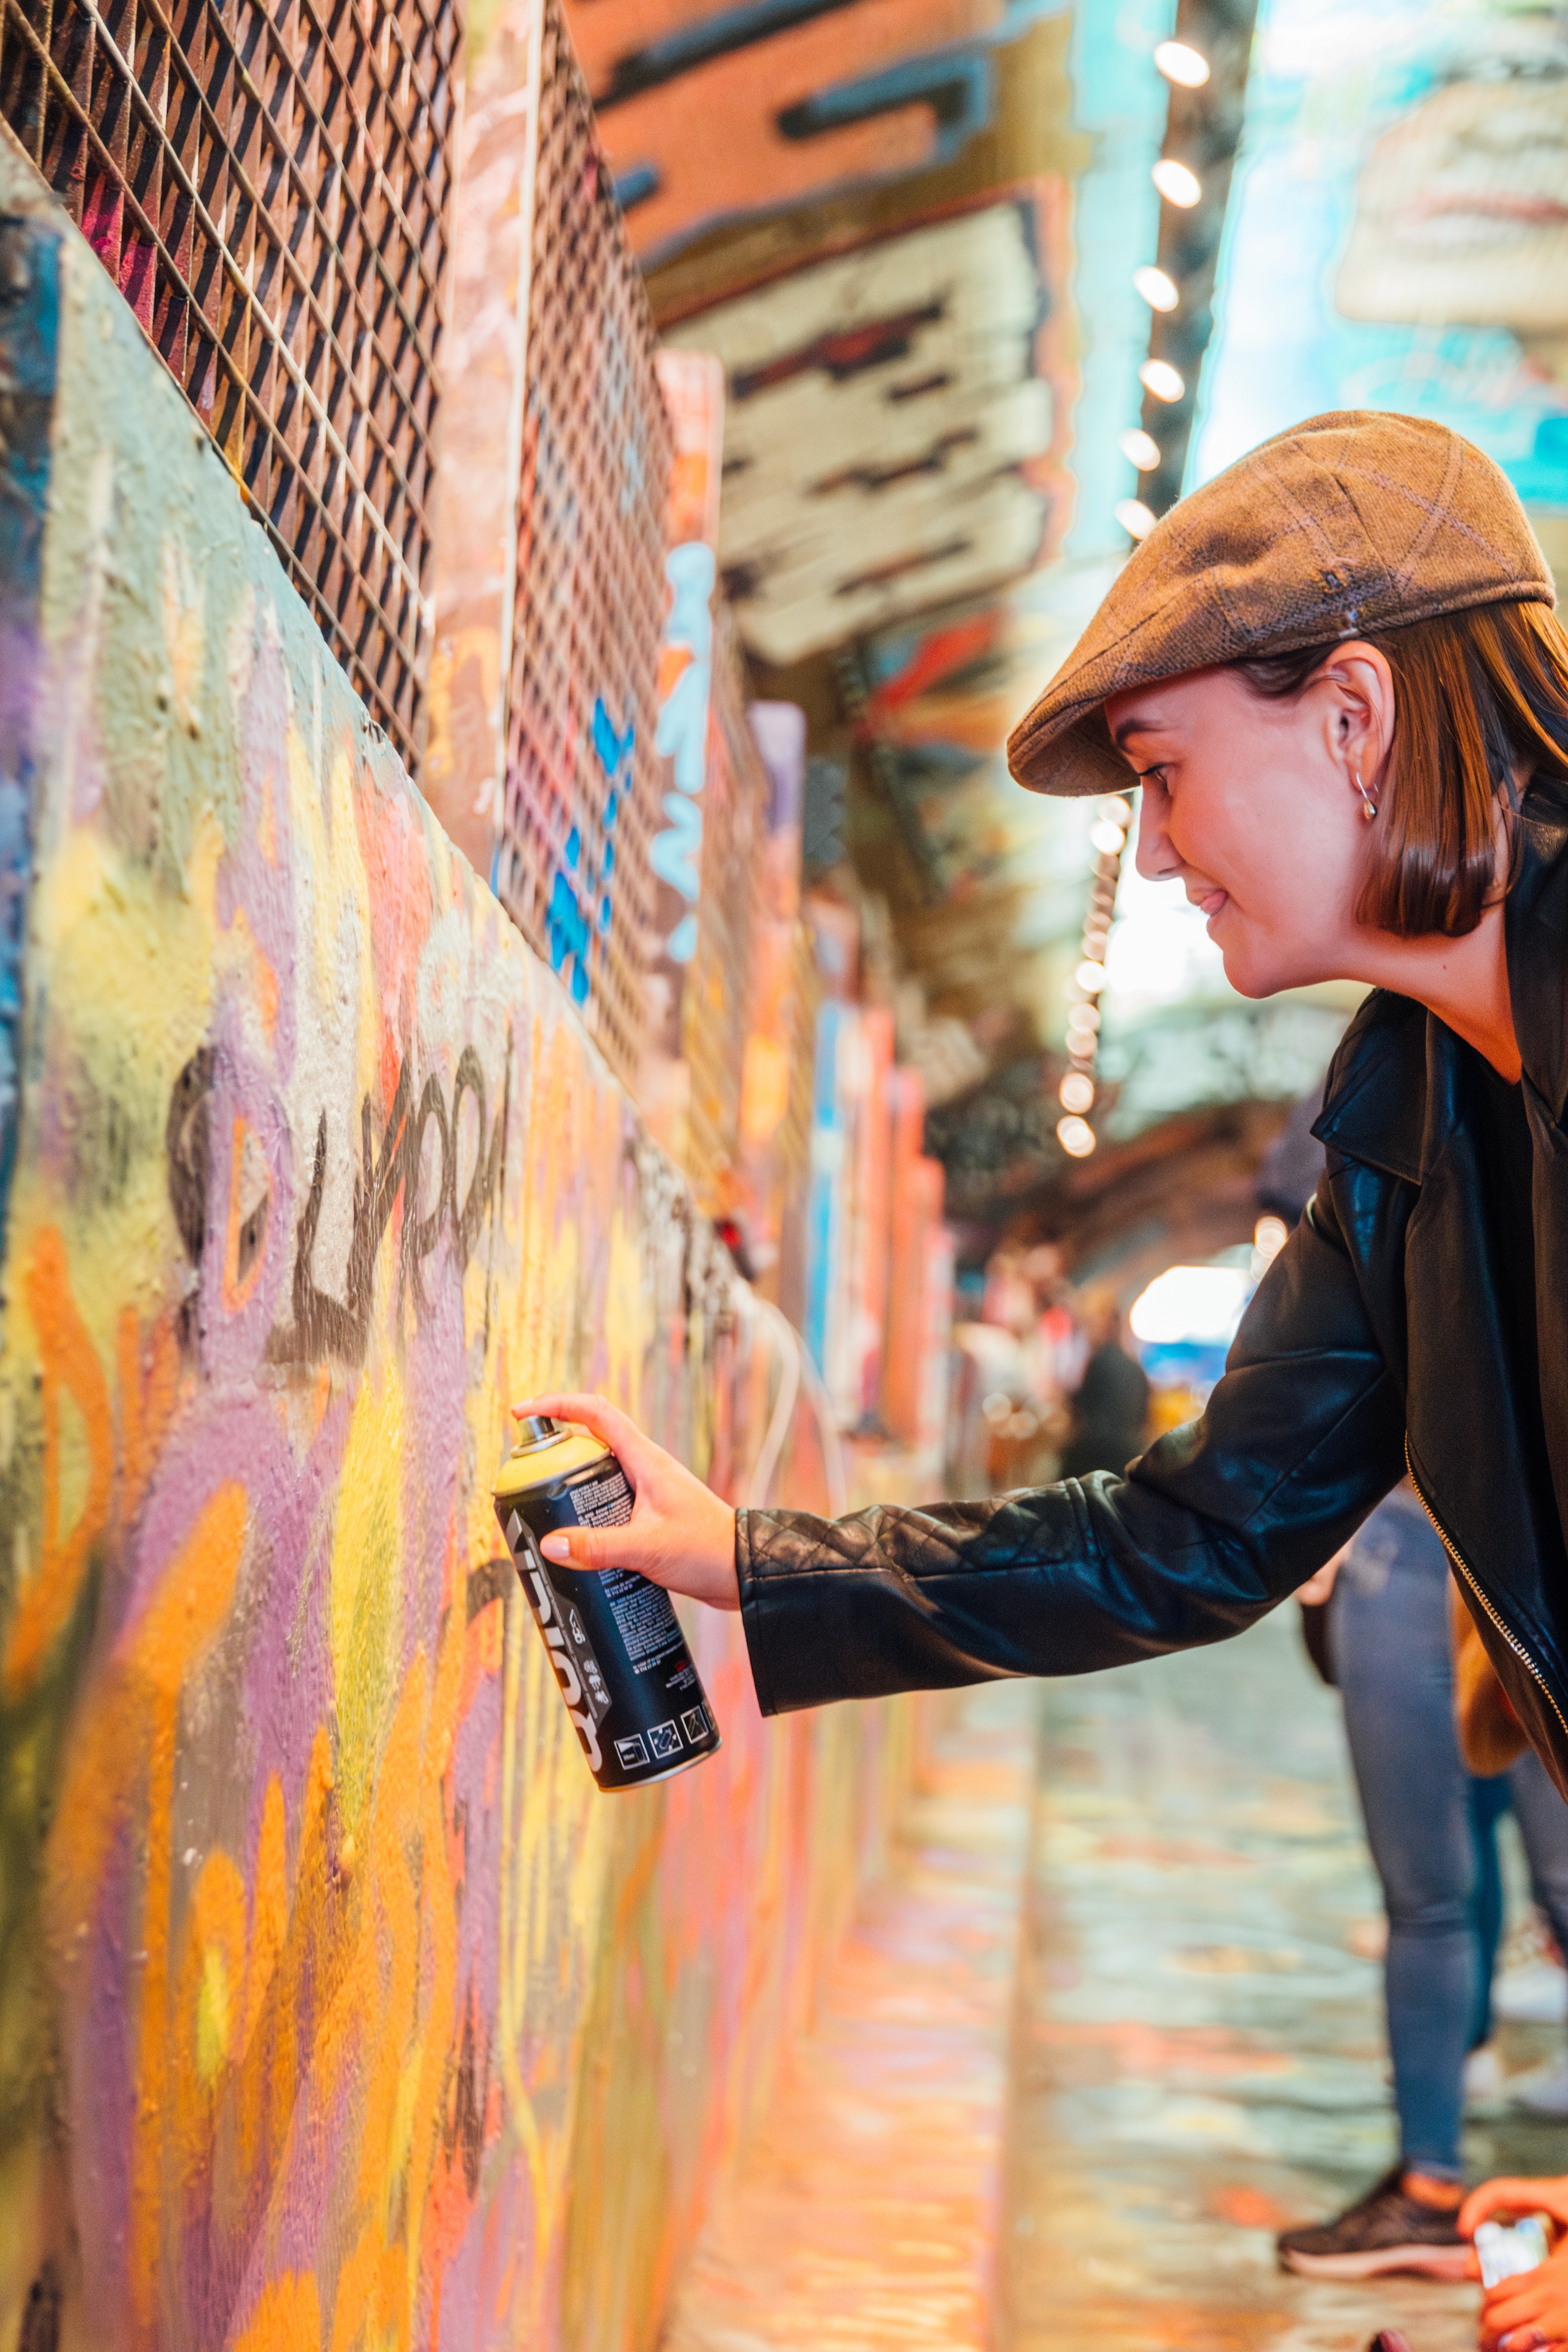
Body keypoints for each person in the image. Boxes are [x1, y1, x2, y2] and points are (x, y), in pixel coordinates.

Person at [512, 411, 1568, 1819]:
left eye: (1161, 774)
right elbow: (1188, 1537)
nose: (1152, 858)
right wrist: (752, 1555)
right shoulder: (1400, 1127)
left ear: (1350, 718)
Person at [1277, 1487, 1568, 2281]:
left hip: (1445, 1536)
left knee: (1452, 1894)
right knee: (1454, 1891)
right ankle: (1429, 2184)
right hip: (1458, 1538)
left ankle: (1431, 2188)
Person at [1059, 1290, 1149, 1480]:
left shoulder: (1100, 1359)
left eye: (1091, 1322)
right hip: (1127, 1456)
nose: (1086, 1330)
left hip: (1095, 1455)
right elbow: (1144, 1417)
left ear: (1108, 1323)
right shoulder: (1135, 1367)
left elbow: (1081, 1409)